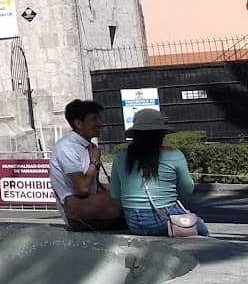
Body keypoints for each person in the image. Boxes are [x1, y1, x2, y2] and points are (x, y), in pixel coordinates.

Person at [109, 109, 208, 237]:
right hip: (162, 217)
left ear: (135, 135)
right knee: (201, 227)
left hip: (133, 221)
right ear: (161, 134)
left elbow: (115, 193)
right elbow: (187, 190)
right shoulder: (174, 155)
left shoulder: (121, 157)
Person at [49, 100, 124, 232]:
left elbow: (94, 185)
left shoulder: (89, 147)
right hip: (77, 211)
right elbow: (83, 188)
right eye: (94, 119)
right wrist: (94, 161)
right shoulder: (67, 148)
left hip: (89, 205)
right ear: (78, 123)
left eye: (99, 118)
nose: (100, 123)